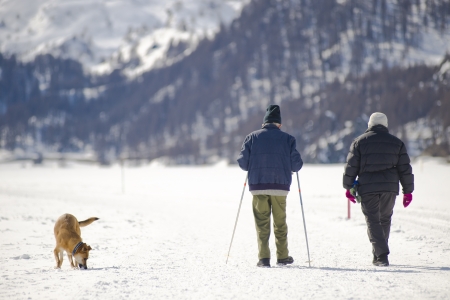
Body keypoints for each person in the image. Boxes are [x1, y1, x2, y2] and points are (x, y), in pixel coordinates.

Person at [343, 112, 414, 266]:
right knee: (384, 219)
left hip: (367, 188)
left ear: (370, 124)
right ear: (385, 124)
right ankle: (378, 254)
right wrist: (408, 191)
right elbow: (405, 169)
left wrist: (348, 187)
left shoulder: (359, 142)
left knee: (373, 220)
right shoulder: (397, 143)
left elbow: (351, 167)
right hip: (390, 188)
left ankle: (381, 256)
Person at [237, 104, 303, 268]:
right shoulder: (288, 139)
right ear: (279, 124)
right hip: (280, 187)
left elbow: (243, 163)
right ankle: (282, 257)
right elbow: (297, 165)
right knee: (280, 223)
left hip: (258, 185)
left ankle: (264, 258)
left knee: (262, 223)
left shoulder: (252, 137)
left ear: (264, 123)